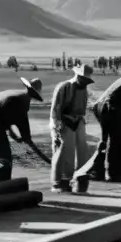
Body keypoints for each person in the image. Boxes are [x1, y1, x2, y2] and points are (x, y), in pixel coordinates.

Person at [0, 78, 44, 182]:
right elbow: (21, 124)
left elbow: (9, 119)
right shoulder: (22, 101)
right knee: (3, 159)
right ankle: (0, 188)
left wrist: (18, 135)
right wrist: (26, 138)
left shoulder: (17, 95)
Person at [49, 64, 95, 192]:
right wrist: (57, 128)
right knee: (64, 152)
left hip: (78, 121)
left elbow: (83, 108)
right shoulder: (64, 87)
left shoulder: (84, 90)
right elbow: (55, 110)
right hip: (64, 121)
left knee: (83, 152)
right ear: (77, 76)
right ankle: (60, 182)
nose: (85, 82)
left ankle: (80, 178)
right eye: (83, 79)